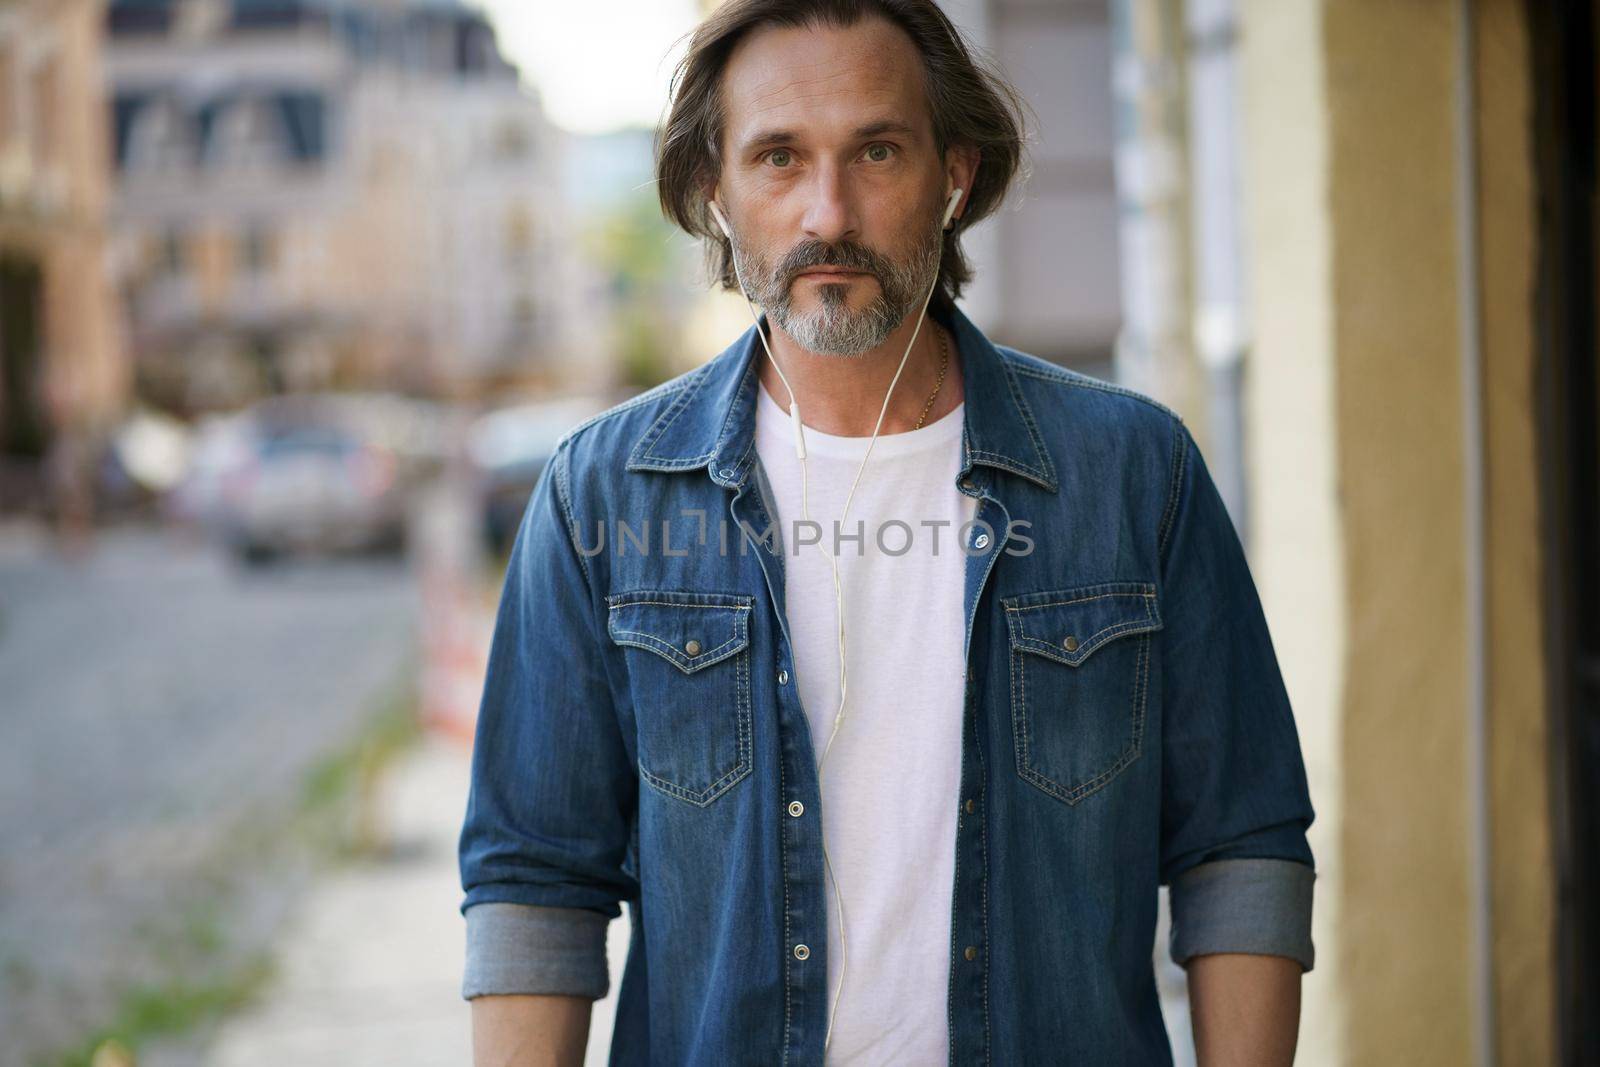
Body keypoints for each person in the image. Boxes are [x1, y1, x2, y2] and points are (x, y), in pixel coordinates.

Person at [458, 2, 1317, 1064]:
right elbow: (535, 880)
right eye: (778, 157)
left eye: (876, 149)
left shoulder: (1134, 474)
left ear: (952, 175)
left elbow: (1239, 844)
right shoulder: (603, 497)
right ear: (713, 190)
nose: (830, 210)